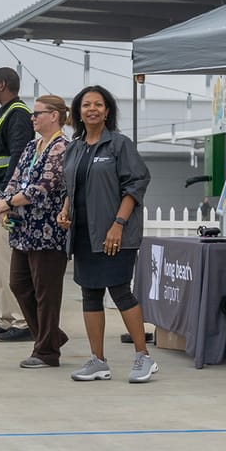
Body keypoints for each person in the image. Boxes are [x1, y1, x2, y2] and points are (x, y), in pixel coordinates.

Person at [57, 85, 155, 382]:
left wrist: (118, 225)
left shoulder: (119, 145)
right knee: (90, 294)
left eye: (98, 105)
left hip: (115, 233)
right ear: (78, 112)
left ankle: (144, 357)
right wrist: (65, 211)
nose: (92, 109)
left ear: (107, 111)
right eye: (86, 105)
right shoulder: (74, 148)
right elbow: (70, 187)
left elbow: (136, 184)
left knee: (120, 291)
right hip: (84, 233)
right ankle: (98, 361)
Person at [0, 94, 72, 368]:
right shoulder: (32, 146)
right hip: (24, 230)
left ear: (54, 115)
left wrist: (8, 202)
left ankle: (47, 352)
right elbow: (16, 179)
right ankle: (50, 336)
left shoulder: (63, 148)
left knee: (46, 292)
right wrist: (5, 201)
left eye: (38, 113)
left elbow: (45, 187)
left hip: (48, 231)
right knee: (19, 284)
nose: (33, 118)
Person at [0, 66, 35, 343]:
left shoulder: (18, 114)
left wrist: (3, 194)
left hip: (4, 203)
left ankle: (23, 321)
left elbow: (18, 158)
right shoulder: (4, 114)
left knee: (10, 263)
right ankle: (6, 317)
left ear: (2, 85)